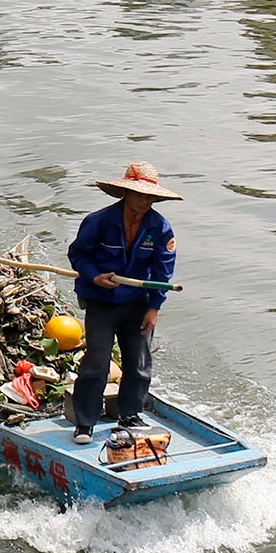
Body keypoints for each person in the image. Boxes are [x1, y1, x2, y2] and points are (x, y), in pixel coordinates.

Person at [66, 161, 182, 445]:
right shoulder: (98, 221)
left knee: (139, 362)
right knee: (97, 362)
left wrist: (154, 308)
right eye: (139, 194)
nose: (145, 201)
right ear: (125, 193)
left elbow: (163, 272)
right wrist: (95, 277)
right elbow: (79, 255)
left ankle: (130, 415)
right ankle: (85, 422)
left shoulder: (160, 228)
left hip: (138, 303)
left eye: (149, 196)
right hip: (101, 301)